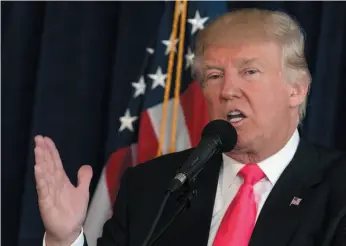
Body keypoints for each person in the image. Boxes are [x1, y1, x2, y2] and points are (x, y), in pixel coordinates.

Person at [34, 8, 346, 246]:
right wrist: (66, 239)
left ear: (297, 89)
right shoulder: (152, 186)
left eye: (249, 71)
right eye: (213, 76)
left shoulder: (338, 189)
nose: (227, 90)